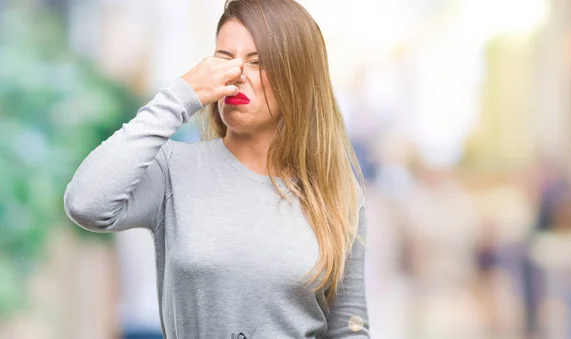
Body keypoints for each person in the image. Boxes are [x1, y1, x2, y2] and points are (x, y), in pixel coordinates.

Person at [63, 0, 370, 338]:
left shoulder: (335, 192)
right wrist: (180, 97)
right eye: (224, 58)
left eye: (258, 62)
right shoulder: (174, 170)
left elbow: (349, 327)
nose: (236, 74)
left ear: (296, 76)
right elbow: (86, 204)